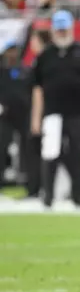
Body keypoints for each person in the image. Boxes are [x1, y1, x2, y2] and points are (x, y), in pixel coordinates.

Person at [31, 10, 80, 209]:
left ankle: (78, 196)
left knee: (77, 153)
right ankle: (48, 197)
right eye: (58, 29)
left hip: (78, 113)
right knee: (50, 155)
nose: (61, 32)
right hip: (52, 113)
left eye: (64, 28)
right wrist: (36, 118)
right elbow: (37, 88)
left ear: (71, 28)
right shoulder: (45, 55)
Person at [0, 41, 31, 189]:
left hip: (24, 114)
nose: (13, 54)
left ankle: (27, 179)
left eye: (15, 50)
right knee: (2, 146)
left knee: (26, 148)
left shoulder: (25, 71)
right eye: (10, 51)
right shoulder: (1, 71)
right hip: (4, 115)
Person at [25, 30, 51, 199]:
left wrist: (36, 118)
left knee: (41, 151)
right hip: (44, 112)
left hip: (44, 113)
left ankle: (39, 188)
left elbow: (38, 92)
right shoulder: (42, 61)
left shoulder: (43, 62)